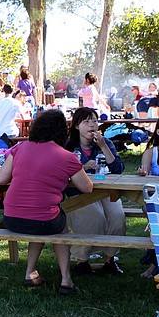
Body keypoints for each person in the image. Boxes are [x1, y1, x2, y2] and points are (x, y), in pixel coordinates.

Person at [0, 109, 92, 293]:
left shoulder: (19, 148)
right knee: (55, 221)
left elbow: (0, 179)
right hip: (43, 220)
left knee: (41, 216)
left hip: (11, 218)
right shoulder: (67, 157)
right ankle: (66, 279)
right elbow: (87, 188)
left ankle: (30, 273)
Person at [64, 107, 126, 275]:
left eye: (94, 121)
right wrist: (81, 168)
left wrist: (104, 146)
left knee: (117, 217)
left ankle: (109, 260)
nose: (92, 125)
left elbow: (118, 169)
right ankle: (82, 261)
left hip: (106, 191)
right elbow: (61, 173)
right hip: (79, 193)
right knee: (94, 218)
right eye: (87, 121)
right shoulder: (68, 147)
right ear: (77, 126)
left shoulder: (105, 143)